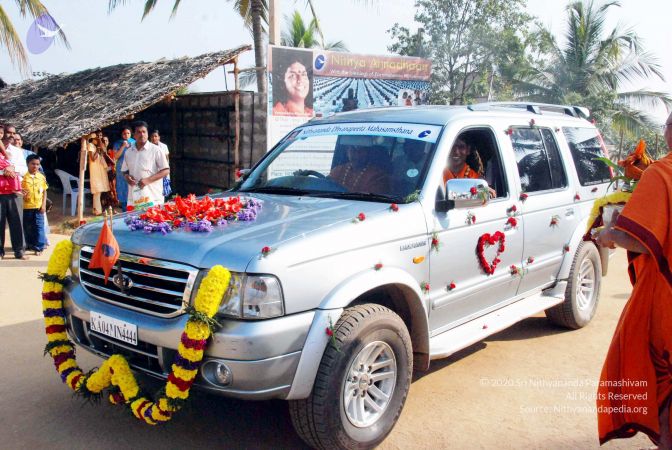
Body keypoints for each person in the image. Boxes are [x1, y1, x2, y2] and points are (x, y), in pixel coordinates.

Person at [594, 112, 672, 448]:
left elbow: (639, 238)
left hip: (666, 299)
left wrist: (609, 234)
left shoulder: (663, 173)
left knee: (665, 387)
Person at [121, 121, 169, 208]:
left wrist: (148, 180)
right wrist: (127, 177)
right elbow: (124, 171)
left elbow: (166, 170)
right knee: (134, 221)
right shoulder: (128, 152)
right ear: (134, 135)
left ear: (147, 133)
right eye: (138, 132)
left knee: (152, 220)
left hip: (153, 196)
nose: (142, 134)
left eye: (144, 132)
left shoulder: (156, 150)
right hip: (135, 197)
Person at [0, 124, 27, 260]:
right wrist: (3, 171)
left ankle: (19, 251)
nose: (11, 135)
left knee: (17, 222)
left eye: (13, 133)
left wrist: (12, 167)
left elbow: (24, 170)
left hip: (14, 192)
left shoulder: (16, 151)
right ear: (2, 133)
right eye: (8, 132)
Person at [271, 47, 313, 117]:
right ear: (282, 84)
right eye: (292, 76)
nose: (300, 80)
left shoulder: (312, 114)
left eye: (303, 74)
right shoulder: (276, 113)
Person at [21, 154, 47, 255]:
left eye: (37, 164)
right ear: (27, 164)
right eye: (33, 164)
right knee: (27, 227)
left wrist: (44, 205)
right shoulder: (23, 177)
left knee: (39, 227)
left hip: (38, 207)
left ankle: (39, 247)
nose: (35, 166)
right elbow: (19, 191)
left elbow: (44, 191)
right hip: (26, 207)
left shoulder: (41, 177)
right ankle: (29, 244)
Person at [87, 133, 111, 215]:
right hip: (95, 170)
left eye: (101, 136)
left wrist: (101, 145)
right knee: (97, 191)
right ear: (94, 136)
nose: (100, 137)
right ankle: (97, 211)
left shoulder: (99, 145)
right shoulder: (90, 145)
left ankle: (98, 209)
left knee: (100, 191)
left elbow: (104, 152)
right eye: (98, 136)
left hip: (100, 170)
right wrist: (97, 149)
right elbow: (93, 158)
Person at [112, 126, 135, 210]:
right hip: (121, 168)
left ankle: (133, 207)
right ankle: (124, 207)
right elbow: (116, 156)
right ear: (121, 134)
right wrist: (123, 146)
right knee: (123, 186)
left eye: (128, 133)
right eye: (124, 133)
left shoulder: (135, 142)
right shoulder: (117, 143)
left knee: (132, 185)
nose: (126, 135)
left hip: (133, 167)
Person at [149, 129, 171, 198]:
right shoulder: (148, 146)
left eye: (156, 136)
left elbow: (167, 159)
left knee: (163, 191)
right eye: (152, 136)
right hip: (151, 171)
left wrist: (166, 170)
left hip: (162, 170)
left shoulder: (164, 146)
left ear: (159, 137)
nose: (154, 138)